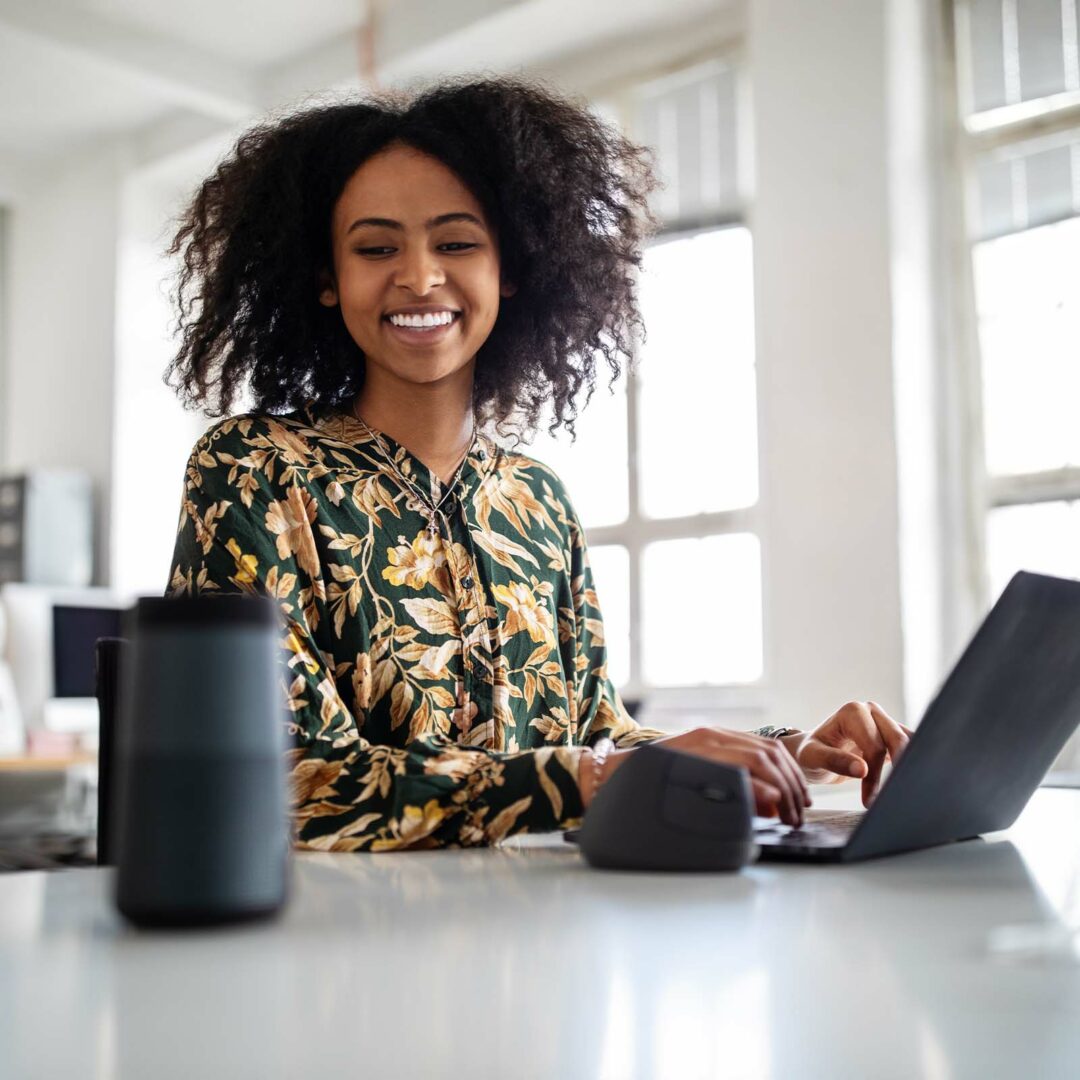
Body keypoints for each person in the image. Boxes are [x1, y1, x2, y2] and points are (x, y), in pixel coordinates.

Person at [164, 76, 910, 852]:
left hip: (539, 938)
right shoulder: (253, 470)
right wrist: (582, 779)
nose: (419, 277)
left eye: (456, 243)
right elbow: (272, 777)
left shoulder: (536, 502)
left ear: (511, 270)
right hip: (338, 945)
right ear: (325, 278)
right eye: (376, 247)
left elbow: (598, 738)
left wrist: (782, 754)